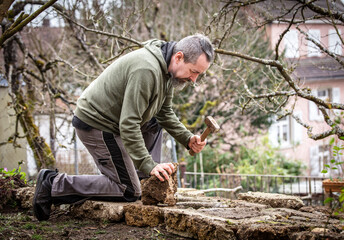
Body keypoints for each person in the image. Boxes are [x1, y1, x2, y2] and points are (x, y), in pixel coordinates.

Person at [33, 34, 214, 221]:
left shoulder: (167, 71)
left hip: (117, 123)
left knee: (154, 123)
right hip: (98, 124)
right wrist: (148, 162)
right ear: (179, 57)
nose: (194, 80)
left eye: (199, 75)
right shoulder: (146, 70)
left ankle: (143, 180)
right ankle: (53, 183)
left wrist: (187, 138)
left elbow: (164, 113)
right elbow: (129, 124)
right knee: (128, 190)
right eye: (194, 72)